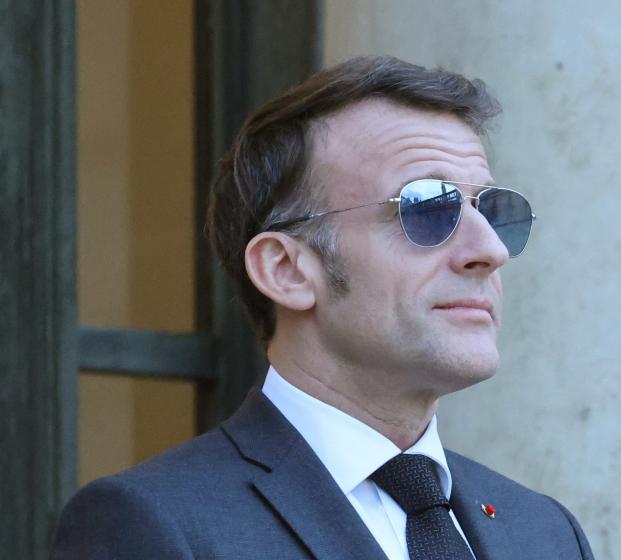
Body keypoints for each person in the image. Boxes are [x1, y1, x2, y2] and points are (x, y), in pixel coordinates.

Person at [51, 56, 593, 560]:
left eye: (493, 211)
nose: (491, 251)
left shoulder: (545, 532)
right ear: (286, 270)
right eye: (428, 207)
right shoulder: (151, 524)